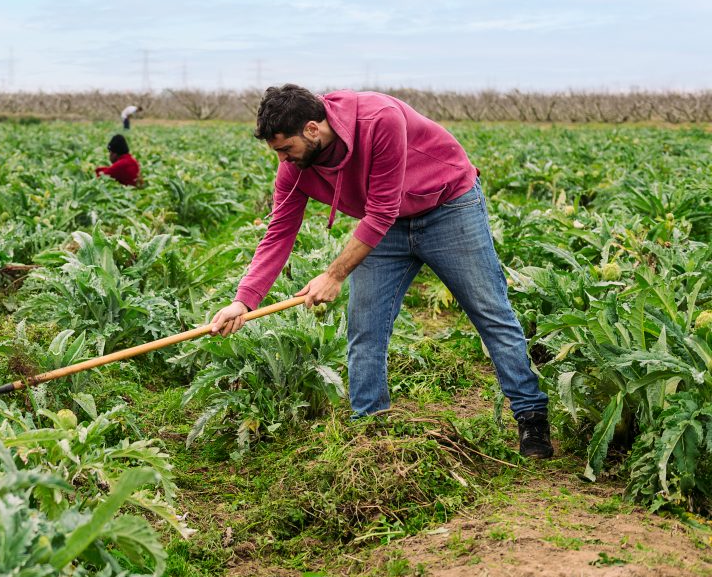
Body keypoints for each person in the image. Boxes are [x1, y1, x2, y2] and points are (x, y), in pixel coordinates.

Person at [207, 84, 553, 459]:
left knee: (490, 312)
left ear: (311, 129)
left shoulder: (378, 119)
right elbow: (278, 233)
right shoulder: (294, 168)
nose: (283, 160)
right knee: (365, 326)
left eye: (285, 148)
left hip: (448, 205)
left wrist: (334, 274)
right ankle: (370, 429)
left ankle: (531, 415)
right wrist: (242, 302)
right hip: (384, 228)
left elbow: (382, 210)